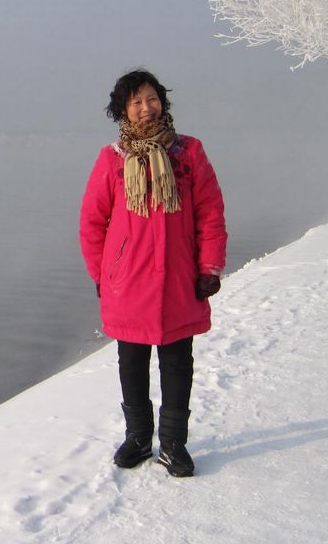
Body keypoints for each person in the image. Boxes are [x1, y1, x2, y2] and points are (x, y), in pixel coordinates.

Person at [79, 69, 227, 477]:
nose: (147, 107)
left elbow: (210, 214)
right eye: (136, 101)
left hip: (180, 279)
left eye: (152, 98)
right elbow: (93, 222)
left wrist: (209, 267)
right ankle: (139, 439)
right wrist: (101, 274)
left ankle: (174, 445)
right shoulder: (111, 159)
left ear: (163, 102)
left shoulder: (188, 152)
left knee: (178, 362)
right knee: (132, 362)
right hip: (128, 282)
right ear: (123, 109)